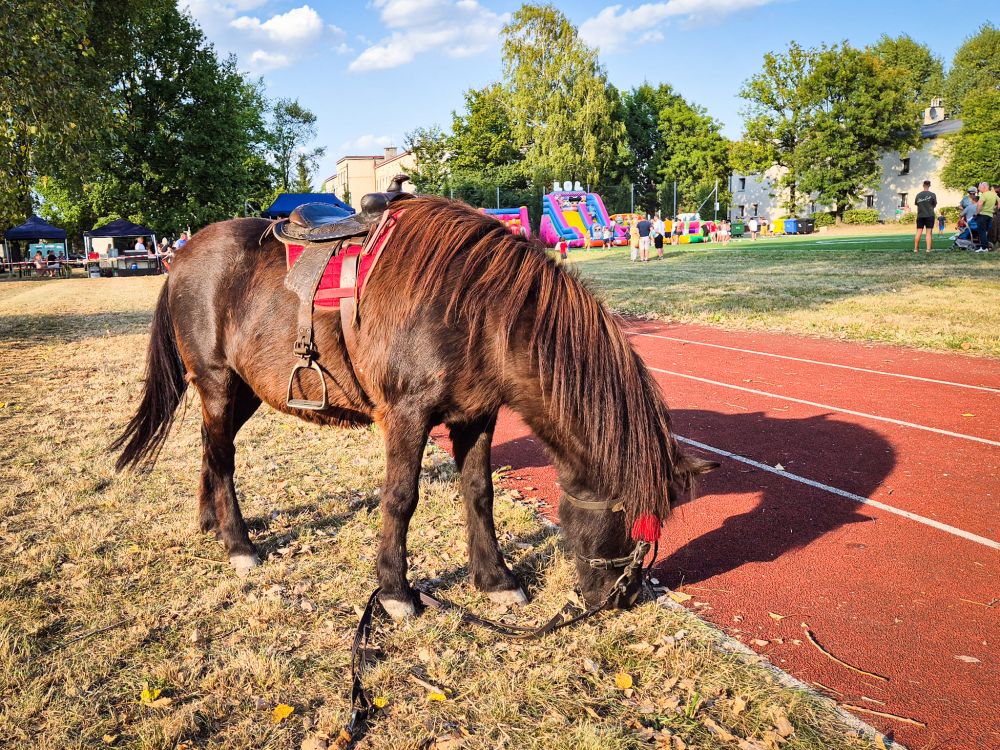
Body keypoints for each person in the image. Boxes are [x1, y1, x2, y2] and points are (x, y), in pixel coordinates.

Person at [913, 179, 937, 253]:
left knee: (918, 232)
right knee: (928, 232)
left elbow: (917, 204)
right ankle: (928, 249)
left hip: (920, 215)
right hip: (929, 215)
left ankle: (916, 249)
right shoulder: (932, 195)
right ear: (929, 185)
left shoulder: (918, 195)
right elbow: (934, 204)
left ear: (923, 185)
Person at [975, 181, 997, 252]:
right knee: (986, 232)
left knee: (982, 232)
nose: (979, 189)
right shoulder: (994, 194)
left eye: (980, 187)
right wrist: (994, 209)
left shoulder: (984, 195)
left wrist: (977, 213)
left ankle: (984, 248)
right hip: (990, 216)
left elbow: (979, 204)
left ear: (984, 187)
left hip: (982, 215)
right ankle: (986, 247)